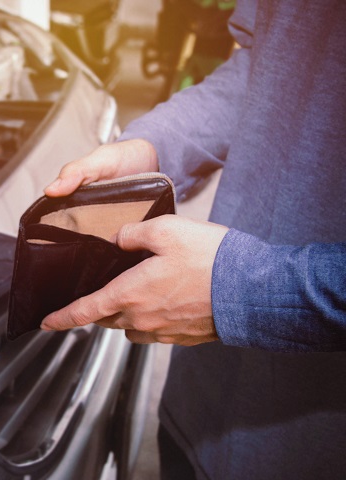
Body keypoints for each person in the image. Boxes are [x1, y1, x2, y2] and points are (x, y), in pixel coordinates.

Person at [39, 0, 346, 478]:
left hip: (311, 447)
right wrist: (156, 145)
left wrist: (242, 292)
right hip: (202, 406)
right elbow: (268, 69)